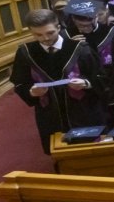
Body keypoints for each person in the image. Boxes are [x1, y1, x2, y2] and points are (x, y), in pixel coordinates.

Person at [11, 8, 106, 153]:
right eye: (38, 35)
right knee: (60, 157)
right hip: (50, 115)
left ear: (58, 28)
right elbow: (20, 83)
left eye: (50, 33)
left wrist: (86, 84)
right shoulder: (26, 53)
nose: (45, 39)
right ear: (31, 32)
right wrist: (31, 92)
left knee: (90, 153)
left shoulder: (80, 49)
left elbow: (101, 77)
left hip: (83, 112)